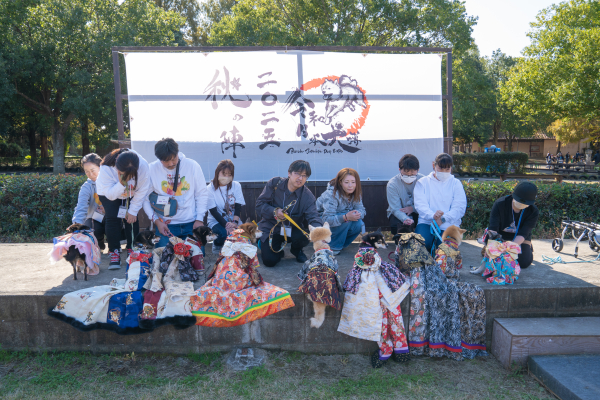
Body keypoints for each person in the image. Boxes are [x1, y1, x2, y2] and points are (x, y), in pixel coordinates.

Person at [142, 138, 209, 248]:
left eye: (173, 159)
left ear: (178, 153)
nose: (171, 163)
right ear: (159, 159)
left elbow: (201, 194)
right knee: (163, 255)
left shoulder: (192, 166)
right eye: (165, 161)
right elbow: (145, 198)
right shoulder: (151, 169)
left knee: (196, 256)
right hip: (166, 225)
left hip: (191, 223)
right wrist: (157, 222)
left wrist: (199, 219)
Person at [255, 160, 323, 266]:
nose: (300, 178)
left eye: (304, 176)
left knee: (304, 236)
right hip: (271, 227)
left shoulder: (308, 196)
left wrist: (319, 232)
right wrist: (275, 211)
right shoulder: (275, 184)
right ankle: (265, 243)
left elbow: (314, 216)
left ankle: (296, 250)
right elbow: (259, 205)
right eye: (297, 173)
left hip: (291, 229)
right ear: (289, 173)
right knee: (269, 261)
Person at [97, 148, 151, 269]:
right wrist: (122, 183)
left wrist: (133, 211)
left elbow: (142, 190)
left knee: (132, 219)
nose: (128, 178)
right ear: (116, 165)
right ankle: (114, 251)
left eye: (131, 175)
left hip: (131, 193)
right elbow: (110, 195)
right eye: (123, 173)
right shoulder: (106, 167)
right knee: (112, 218)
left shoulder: (143, 166)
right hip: (108, 192)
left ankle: (132, 248)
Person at [414, 153, 467, 252]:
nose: (444, 172)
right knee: (421, 245)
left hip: (449, 224)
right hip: (427, 223)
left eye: (447, 169)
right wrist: (433, 215)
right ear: (433, 165)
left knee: (446, 251)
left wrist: (443, 219)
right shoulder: (422, 182)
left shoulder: (456, 183)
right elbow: (420, 205)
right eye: (441, 168)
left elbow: (459, 208)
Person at [487, 182, 539, 269]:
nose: (521, 204)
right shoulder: (500, 204)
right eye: (519, 201)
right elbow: (493, 229)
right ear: (513, 196)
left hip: (520, 238)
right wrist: (492, 246)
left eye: (525, 203)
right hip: (500, 236)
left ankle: (527, 247)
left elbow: (524, 233)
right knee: (494, 258)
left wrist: (510, 247)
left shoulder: (533, 211)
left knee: (524, 262)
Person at [316, 168, 366, 255]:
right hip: (321, 222)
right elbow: (326, 219)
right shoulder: (332, 194)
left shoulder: (356, 193)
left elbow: (362, 210)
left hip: (340, 220)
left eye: (353, 182)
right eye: (346, 182)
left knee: (358, 223)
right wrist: (346, 217)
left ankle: (340, 244)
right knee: (346, 220)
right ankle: (331, 246)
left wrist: (357, 214)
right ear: (340, 182)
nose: (350, 185)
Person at [206, 159, 245, 254]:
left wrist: (235, 223)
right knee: (224, 233)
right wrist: (226, 225)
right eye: (224, 174)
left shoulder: (236, 185)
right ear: (217, 173)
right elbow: (213, 211)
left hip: (233, 220)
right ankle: (217, 244)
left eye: (229, 174)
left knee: (242, 234)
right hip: (216, 221)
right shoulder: (209, 189)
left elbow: (238, 206)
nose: (227, 177)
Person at [72, 153, 106, 250]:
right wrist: (76, 226)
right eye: (86, 171)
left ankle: (114, 247)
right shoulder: (86, 187)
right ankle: (99, 241)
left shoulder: (109, 182)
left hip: (110, 217)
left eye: (92, 170)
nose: (90, 174)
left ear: (100, 167)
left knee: (112, 226)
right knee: (90, 230)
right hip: (94, 218)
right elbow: (81, 207)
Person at [386, 154, 424, 235]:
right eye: (406, 173)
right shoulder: (392, 184)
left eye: (412, 173)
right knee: (396, 226)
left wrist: (413, 208)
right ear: (399, 170)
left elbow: (426, 203)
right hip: (399, 212)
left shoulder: (423, 180)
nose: (409, 176)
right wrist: (405, 219)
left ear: (418, 170)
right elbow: (395, 208)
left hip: (419, 211)